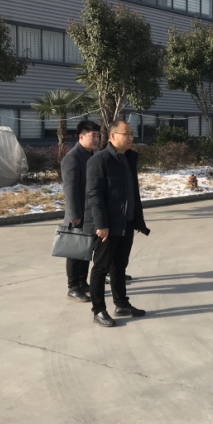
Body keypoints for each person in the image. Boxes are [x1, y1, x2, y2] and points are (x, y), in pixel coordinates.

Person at [85, 120, 150, 328]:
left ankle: (121, 304)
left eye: (131, 134)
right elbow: (94, 195)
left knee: (120, 266)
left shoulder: (128, 158)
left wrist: (137, 220)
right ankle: (98, 310)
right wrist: (101, 224)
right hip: (107, 226)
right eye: (126, 134)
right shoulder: (99, 161)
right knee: (101, 268)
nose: (131, 138)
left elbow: (133, 193)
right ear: (112, 136)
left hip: (126, 223)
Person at [61, 120, 100, 302]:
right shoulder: (73, 158)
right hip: (77, 214)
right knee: (74, 252)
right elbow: (69, 189)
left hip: (90, 213)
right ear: (81, 137)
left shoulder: (91, 156)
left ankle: (83, 282)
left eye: (98, 136)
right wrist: (74, 215)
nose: (96, 139)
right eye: (93, 136)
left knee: (85, 250)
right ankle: (73, 287)